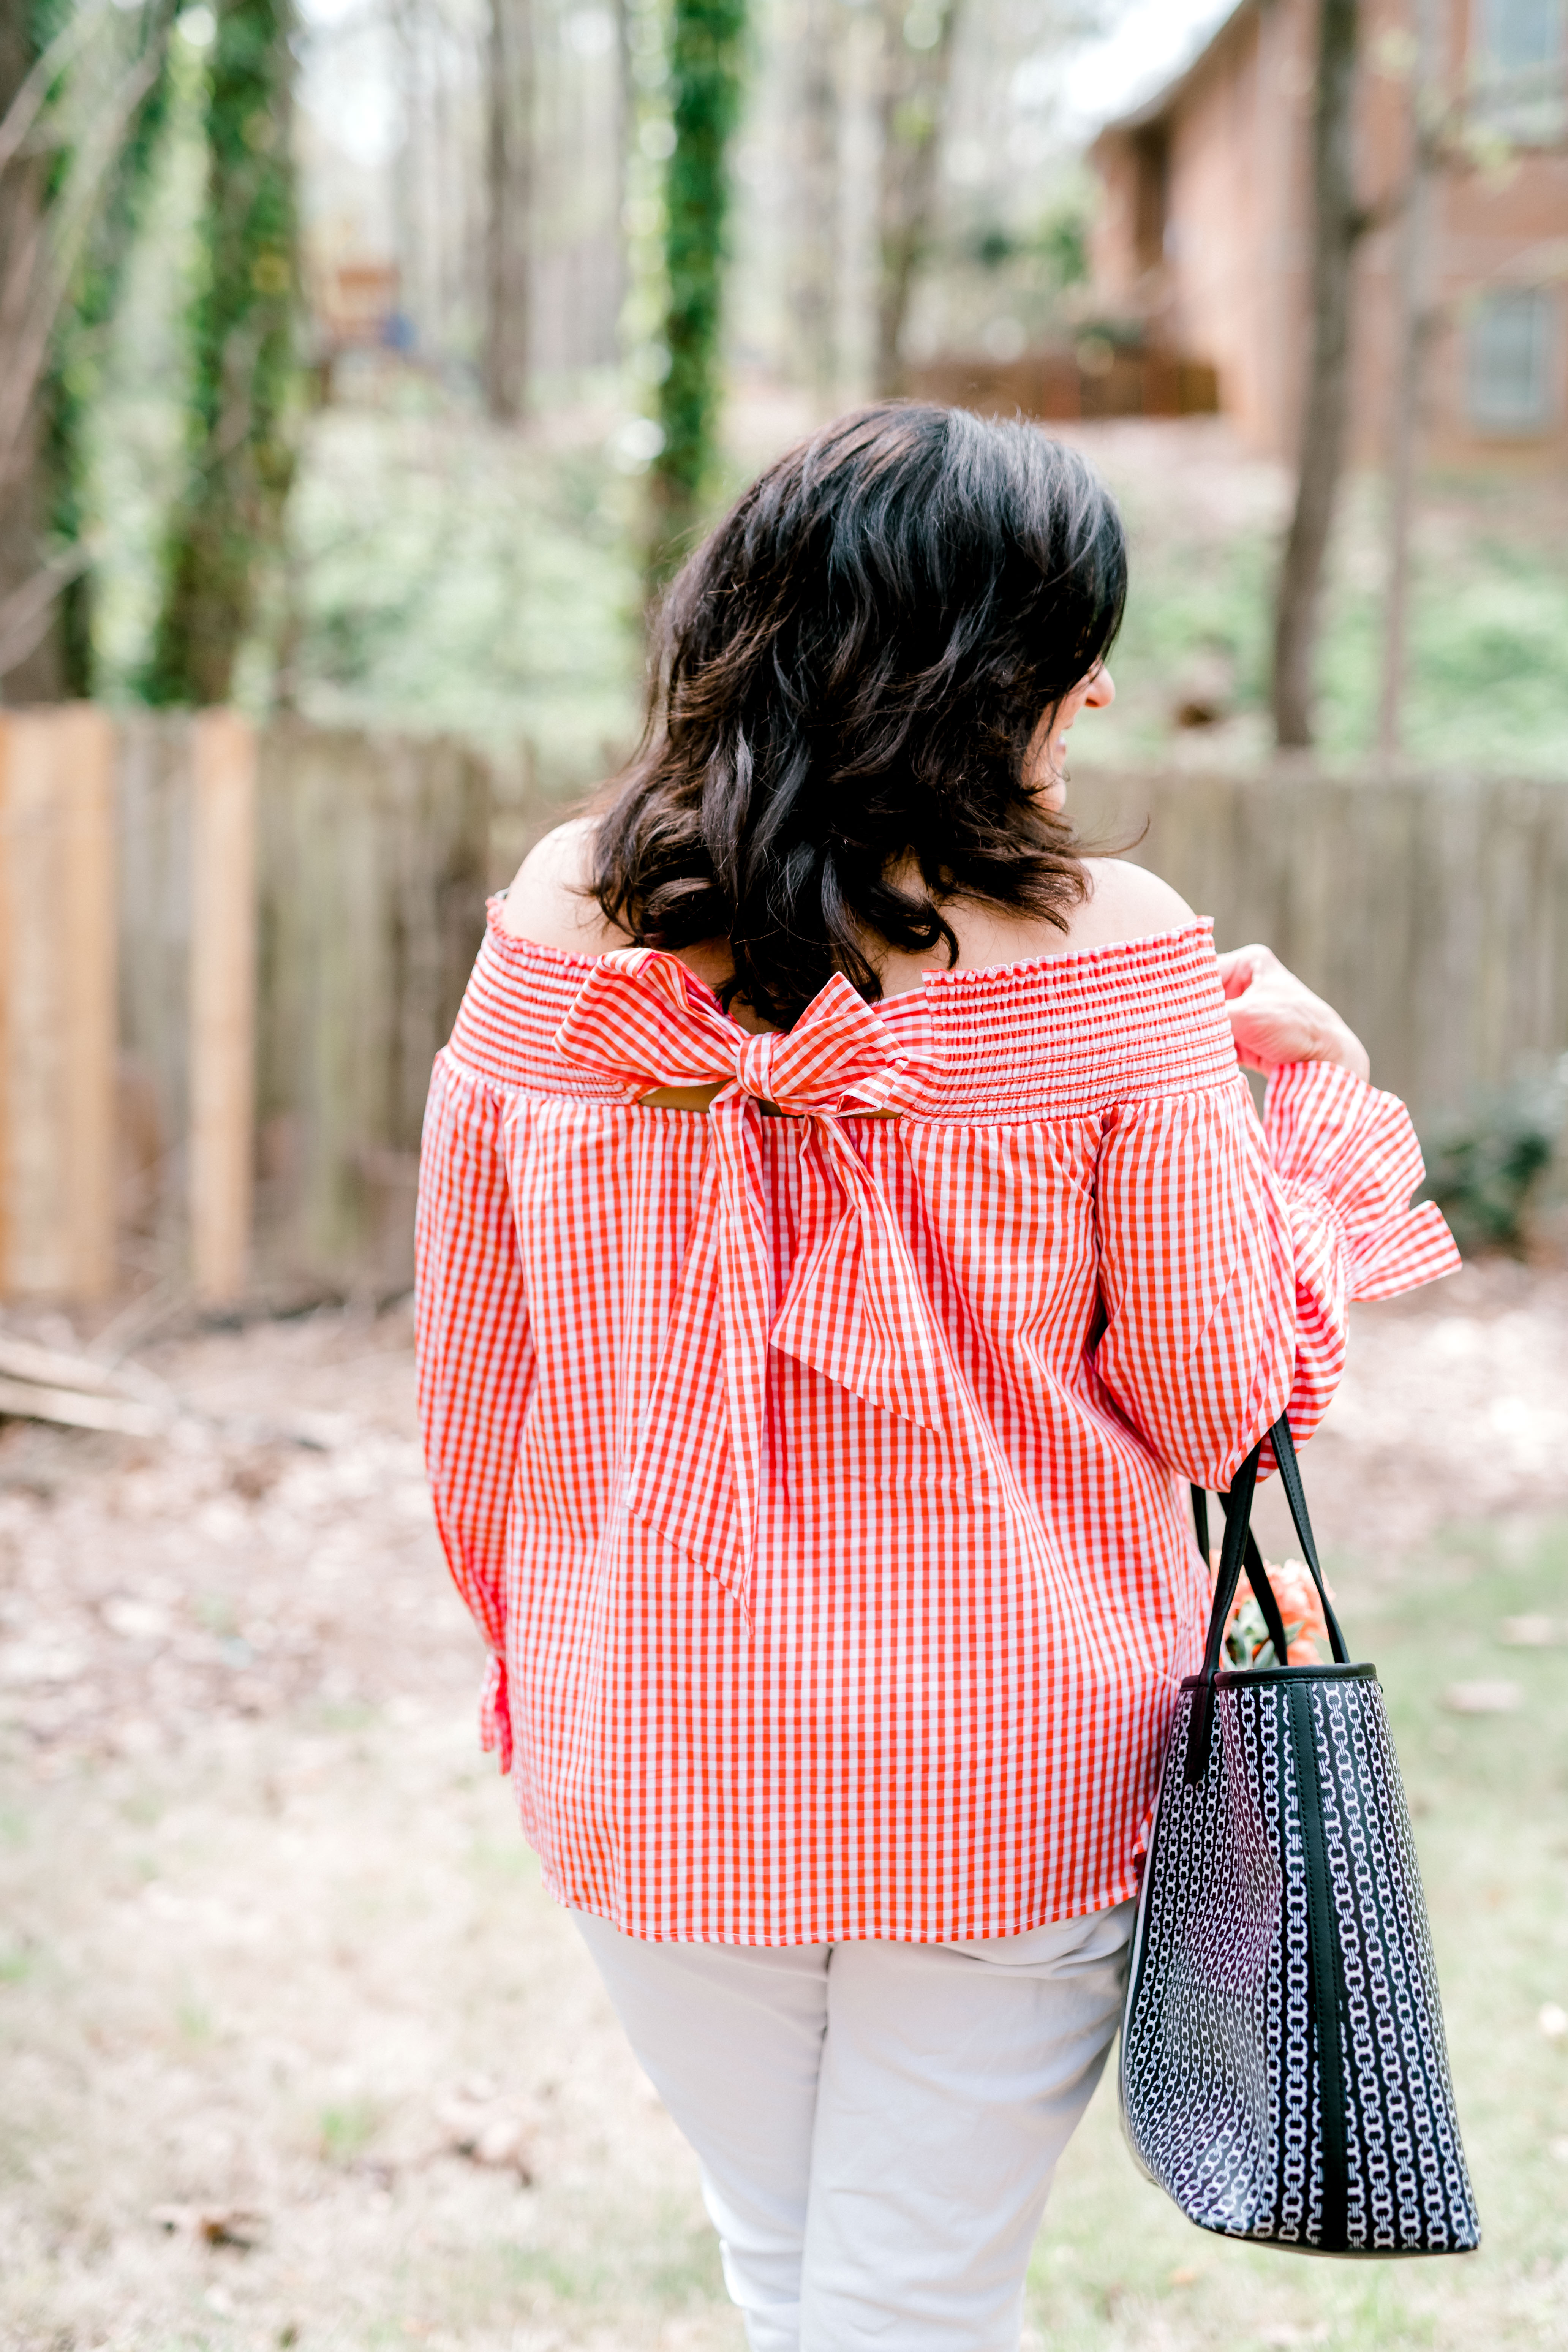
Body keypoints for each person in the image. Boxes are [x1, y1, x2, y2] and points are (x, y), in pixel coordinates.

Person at [415, 403, 1457, 2351]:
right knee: (909, 2301)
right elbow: (1221, 1399)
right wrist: (1311, 1107)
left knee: (796, 2273)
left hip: (655, 1736)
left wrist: (541, 1661)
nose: (1107, 687)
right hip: (1010, 1757)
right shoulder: (1106, 951)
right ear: (1006, 677)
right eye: (1077, 643)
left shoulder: (557, 929)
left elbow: (474, 1392)